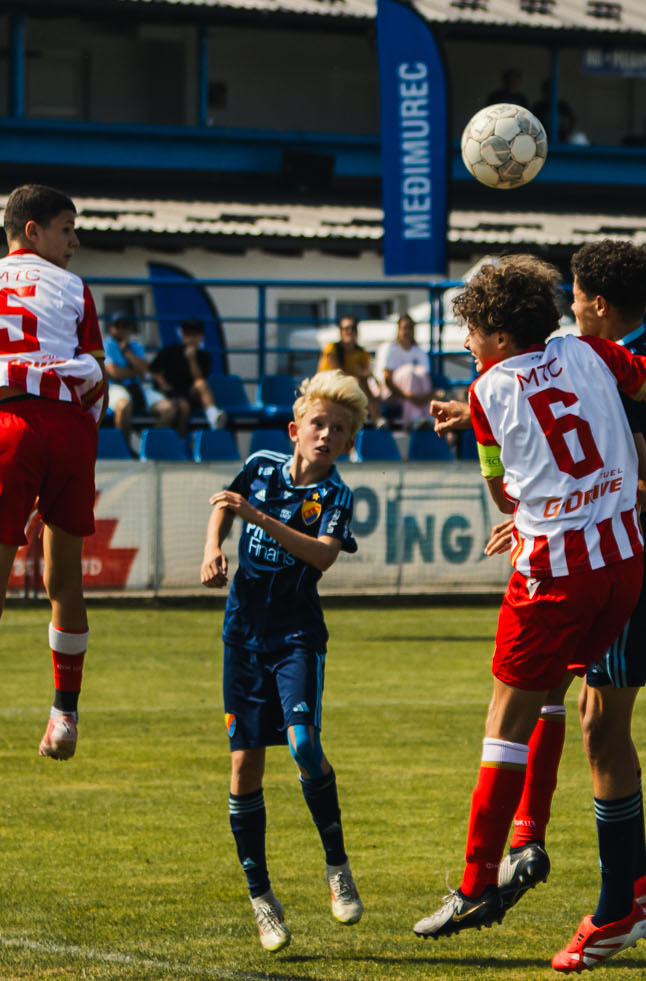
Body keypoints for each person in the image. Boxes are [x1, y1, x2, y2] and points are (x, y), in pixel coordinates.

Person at [409, 255, 646, 975]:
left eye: (472, 330)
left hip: (555, 573)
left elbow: (504, 495)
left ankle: (478, 883)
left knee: (506, 722)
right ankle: (587, 859)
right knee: (575, 708)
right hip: (622, 564)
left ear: (498, 334)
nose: (469, 342)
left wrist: (530, 484)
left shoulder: (485, 389)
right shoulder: (591, 350)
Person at [0, 183, 108, 806]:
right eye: (66, 228)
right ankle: (64, 714)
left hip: (9, 427)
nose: (74, 242)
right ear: (30, 230)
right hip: (71, 430)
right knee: (67, 584)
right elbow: (97, 380)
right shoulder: (76, 291)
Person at [200, 370, 369, 951]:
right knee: (244, 770)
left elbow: (322, 557)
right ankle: (262, 901)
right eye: (318, 424)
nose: (326, 435)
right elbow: (225, 505)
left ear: (348, 444)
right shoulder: (262, 466)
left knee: (302, 745)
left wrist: (260, 519)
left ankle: (336, 864)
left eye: (339, 430)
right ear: (296, 429)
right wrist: (212, 548)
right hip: (242, 637)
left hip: (297, 636)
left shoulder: (337, 496)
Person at [102, 312, 176, 444]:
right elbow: (115, 373)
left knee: (169, 409)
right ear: (111, 328)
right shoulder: (105, 345)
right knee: (124, 406)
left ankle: (149, 445)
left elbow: (144, 370)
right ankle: (125, 447)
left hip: (138, 389)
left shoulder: (135, 347)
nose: (122, 329)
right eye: (118, 326)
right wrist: (135, 371)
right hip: (115, 387)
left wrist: (127, 352)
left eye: (126, 326)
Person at [152, 317, 224, 430]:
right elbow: (153, 369)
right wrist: (162, 383)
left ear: (201, 337)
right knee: (183, 408)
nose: (190, 339)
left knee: (201, 384)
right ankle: (179, 442)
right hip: (172, 394)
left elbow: (199, 378)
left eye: (195, 335)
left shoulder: (204, 356)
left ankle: (213, 415)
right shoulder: (170, 351)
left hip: (192, 395)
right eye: (187, 335)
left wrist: (191, 359)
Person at [377, 312, 434, 428]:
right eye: (404, 328)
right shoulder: (389, 349)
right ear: (398, 330)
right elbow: (387, 379)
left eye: (410, 328)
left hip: (414, 395)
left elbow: (427, 379)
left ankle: (428, 417)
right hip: (391, 393)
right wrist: (408, 395)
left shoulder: (420, 352)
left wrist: (422, 398)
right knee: (409, 372)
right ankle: (413, 419)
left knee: (420, 373)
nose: (407, 332)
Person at [318, 315, 385, 407]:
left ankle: (376, 418)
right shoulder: (332, 348)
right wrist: (356, 376)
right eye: (346, 328)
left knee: (362, 383)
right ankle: (377, 418)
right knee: (357, 383)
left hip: (351, 389)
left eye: (352, 328)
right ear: (341, 331)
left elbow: (366, 372)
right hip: (327, 387)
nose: (349, 331)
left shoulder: (362, 352)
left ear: (357, 331)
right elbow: (337, 373)